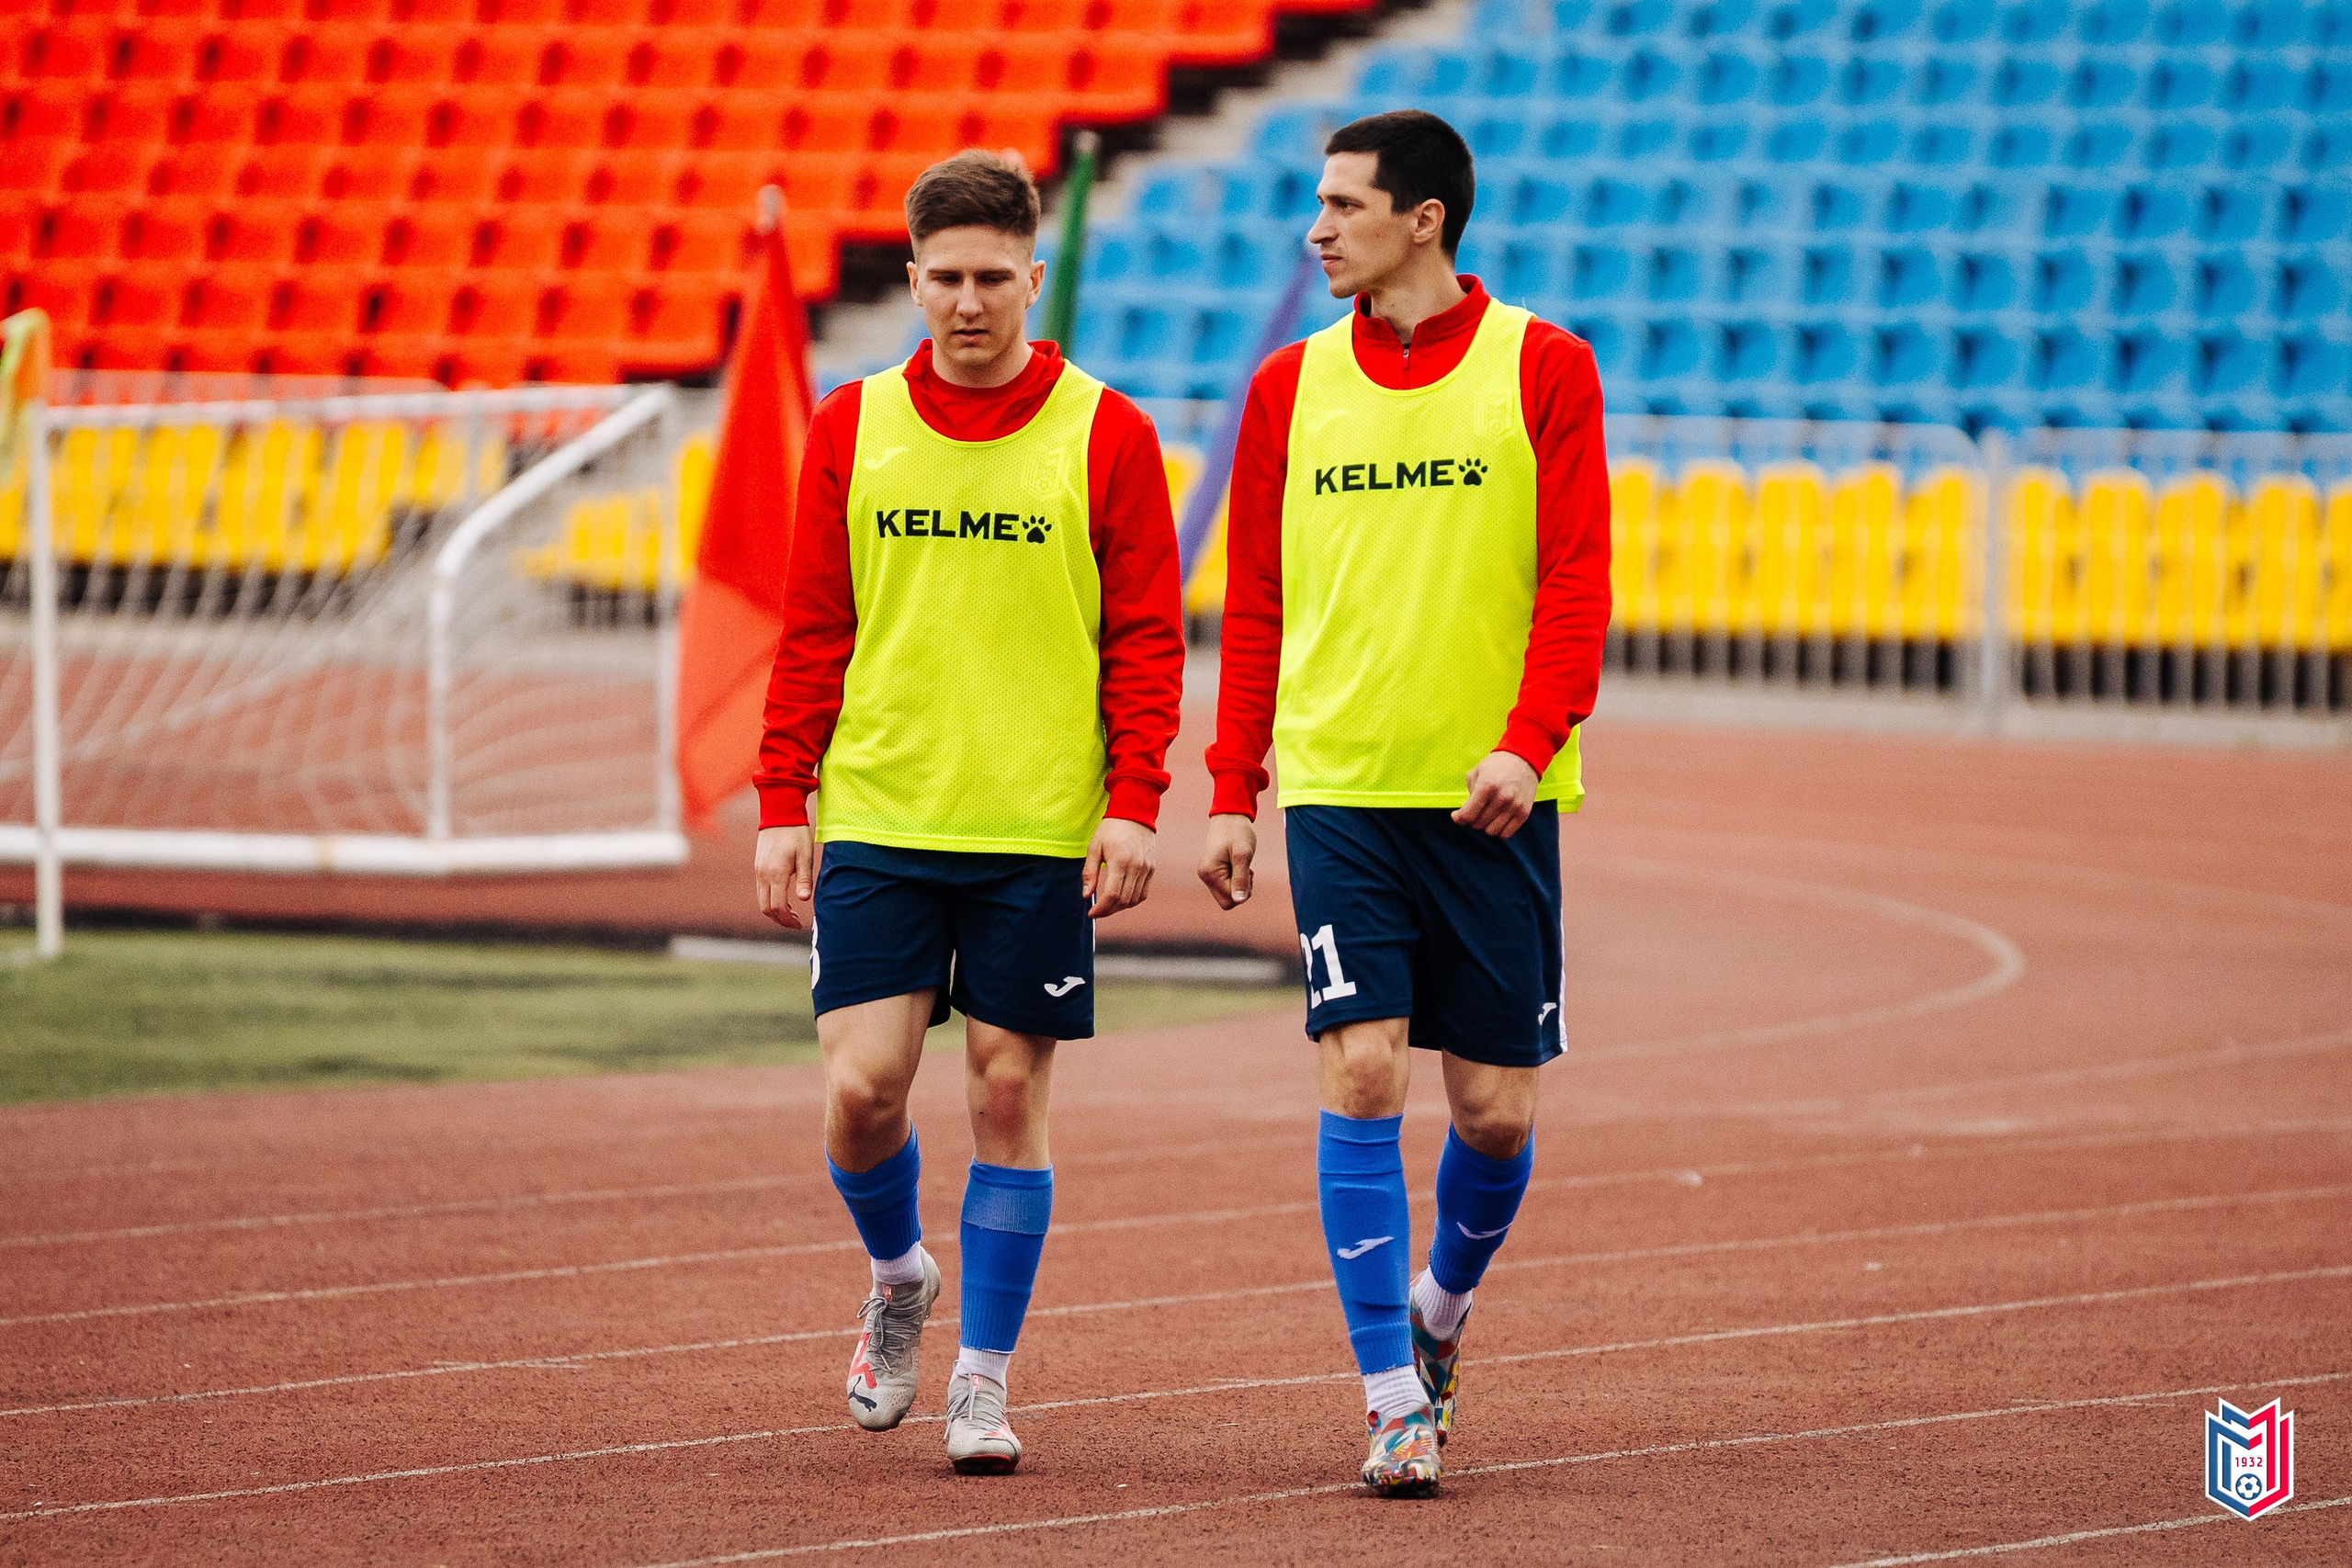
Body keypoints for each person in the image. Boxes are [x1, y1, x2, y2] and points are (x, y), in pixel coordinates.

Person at [1196, 110, 1612, 1497]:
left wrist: (1527, 737)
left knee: (1492, 1113)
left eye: (1343, 205)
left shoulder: (1543, 366)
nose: (1317, 229)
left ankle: (1440, 1312)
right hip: (1339, 795)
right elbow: (1252, 601)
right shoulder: (1287, 390)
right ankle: (1391, 1395)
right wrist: (1233, 787)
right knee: (1362, 1068)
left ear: (1423, 218)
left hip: (1494, 800)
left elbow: (1576, 584)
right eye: (1316, 205)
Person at [752, 150, 1185, 1475]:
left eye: (994, 278)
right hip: (884, 812)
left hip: (1038, 831)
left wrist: (1134, 801)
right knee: (863, 1089)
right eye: (944, 278)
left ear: (1034, 279)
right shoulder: (852, 422)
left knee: (1007, 1092)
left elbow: (1147, 641)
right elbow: (815, 626)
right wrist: (784, 800)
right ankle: (899, 1275)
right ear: (913, 277)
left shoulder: (1107, 432)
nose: (968, 303)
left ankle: (983, 1385)